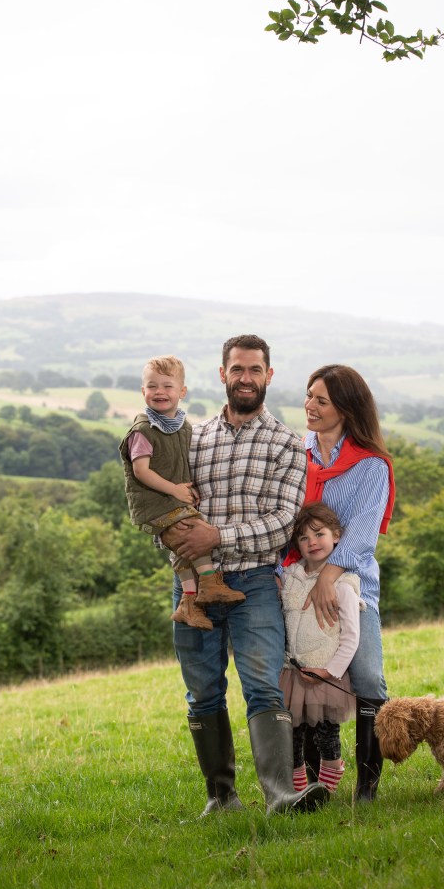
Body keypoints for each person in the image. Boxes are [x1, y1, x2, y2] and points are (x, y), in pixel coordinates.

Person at [161, 335, 330, 815]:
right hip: (193, 583)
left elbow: (284, 519)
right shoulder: (192, 439)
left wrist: (218, 537)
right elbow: (167, 507)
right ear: (222, 374)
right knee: (203, 690)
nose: (246, 378)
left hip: (254, 581)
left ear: (269, 376)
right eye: (238, 369)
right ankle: (222, 798)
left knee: (262, 683)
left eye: (255, 370)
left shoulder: (285, 444)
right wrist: (176, 544)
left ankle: (280, 796)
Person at [299, 364, 396, 802]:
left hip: (353, 588)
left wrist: (330, 578)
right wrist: (307, 581)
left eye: (322, 399)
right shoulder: (295, 452)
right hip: (296, 585)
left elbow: (362, 531)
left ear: (346, 407)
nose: (310, 406)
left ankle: (367, 788)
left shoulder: (370, 465)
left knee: (368, 677)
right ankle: (316, 783)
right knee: (307, 681)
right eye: (309, 396)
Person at [119, 355, 246, 631]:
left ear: (182, 392)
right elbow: (141, 471)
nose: (159, 392)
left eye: (167, 386)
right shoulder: (143, 431)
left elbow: (180, 464)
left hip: (172, 498)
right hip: (154, 502)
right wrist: (175, 490)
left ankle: (189, 600)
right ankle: (210, 584)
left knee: (182, 545)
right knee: (194, 529)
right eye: (152, 387)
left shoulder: (183, 427)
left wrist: (190, 488)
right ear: (143, 392)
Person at [278, 502, 361, 796]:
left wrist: (331, 671)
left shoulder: (343, 584)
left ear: (336, 535)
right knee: (291, 735)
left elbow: (351, 636)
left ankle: (326, 789)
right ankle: (300, 792)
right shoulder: (289, 578)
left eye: (319, 534)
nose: (312, 542)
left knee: (327, 735)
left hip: (325, 673)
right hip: (293, 672)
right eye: (303, 538)